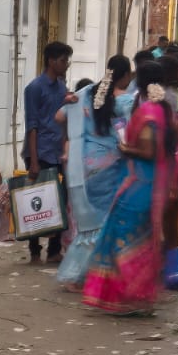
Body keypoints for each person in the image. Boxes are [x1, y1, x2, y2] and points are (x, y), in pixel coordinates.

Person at [82, 61, 173, 316]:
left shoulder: (149, 112)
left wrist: (125, 149)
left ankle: (128, 297)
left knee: (125, 235)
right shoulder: (160, 109)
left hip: (139, 183)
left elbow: (148, 151)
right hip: (147, 182)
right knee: (140, 239)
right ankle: (138, 299)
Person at [56, 56, 134, 290]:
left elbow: (58, 117)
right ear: (125, 76)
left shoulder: (85, 94)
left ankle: (74, 275)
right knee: (106, 221)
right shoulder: (125, 100)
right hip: (111, 164)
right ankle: (95, 275)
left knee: (88, 225)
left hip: (84, 164)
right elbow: (132, 132)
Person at [22, 39, 75, 264]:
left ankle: (54, 250)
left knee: (60, 200)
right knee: (36, 201)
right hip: (39, 150)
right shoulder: (34, 88)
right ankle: (34, 250)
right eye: (63, 60)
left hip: (56, 150)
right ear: (51, 61)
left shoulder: (62, 87)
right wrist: (34, 160)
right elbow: (32, 125)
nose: (66, 64)